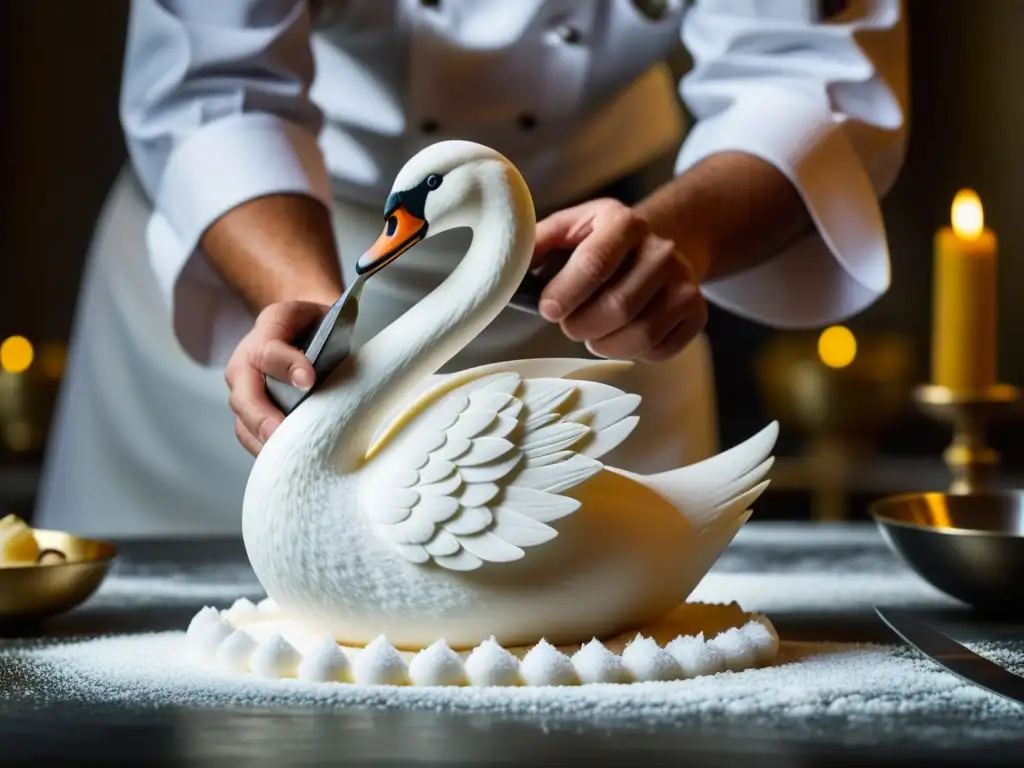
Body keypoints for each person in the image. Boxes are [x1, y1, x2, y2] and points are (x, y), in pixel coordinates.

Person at [35, 0, 907, 537]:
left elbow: (805, 72)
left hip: (600, 271)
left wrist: (673, 240)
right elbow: (212, 84)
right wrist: (306, 306)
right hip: (263, 255)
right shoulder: (286, 293)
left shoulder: (626, 263)